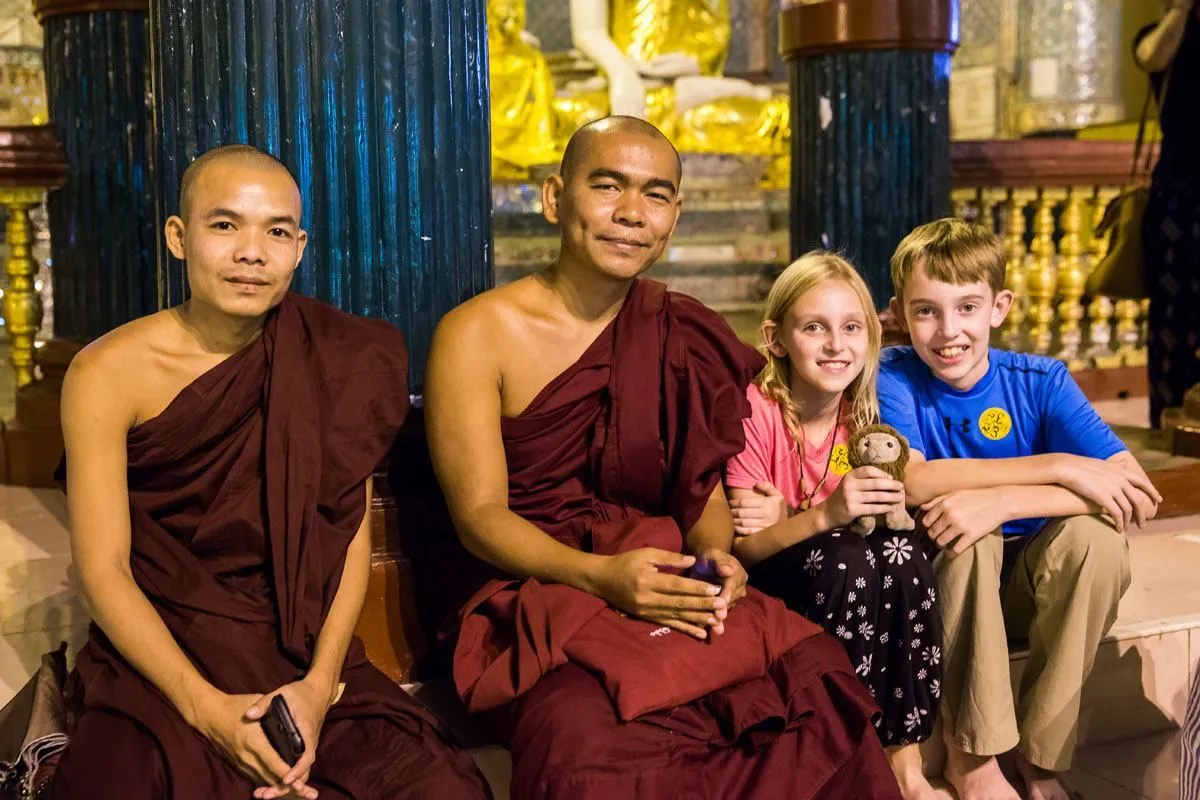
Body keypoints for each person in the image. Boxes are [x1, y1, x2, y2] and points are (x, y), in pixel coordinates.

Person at [426, 116, 900, 799]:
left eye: (654, 194)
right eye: (607, 185)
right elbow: (479, 517)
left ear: (674, 216)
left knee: (813, 674)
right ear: (555, 197)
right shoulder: (478, 333)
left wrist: (719, 557)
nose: (630, 213)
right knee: (585, 736)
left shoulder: (678, 329)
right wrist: (602, 578)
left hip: (662, 573)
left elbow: (699, 490)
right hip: (535, 592)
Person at [51, 145, 489, 800]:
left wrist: (317, 690)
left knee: (437, 785)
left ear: (300, 245)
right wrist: (205, 709)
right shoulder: (107, 374)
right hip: (169, 648)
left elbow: (346, 539)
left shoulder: (339, 358)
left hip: (302, 651)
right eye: (224, 225)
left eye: (276, 231)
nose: (252, 252)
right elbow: (104, 569)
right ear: (178, 237)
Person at [878, 218, 1162, 800]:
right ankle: (975, 760)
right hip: (945, 589)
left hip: (1031, 585)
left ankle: (1040, 760)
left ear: (999, 307)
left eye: (967, 308)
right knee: (966, 530)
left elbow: (1136, 488)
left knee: (1097, 542)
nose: (948, 331)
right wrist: (1057, 465)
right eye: (926, 310)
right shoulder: (893, 377)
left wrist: (1006, 500)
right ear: (901, 314)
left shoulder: (1039, 381)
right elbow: (913, 480)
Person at [724, 252, 942, 800]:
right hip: (776, 590)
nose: (835, 346)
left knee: (903, 550)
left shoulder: (864, 416)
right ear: (776, 338)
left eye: (851, 329)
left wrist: (796, 515)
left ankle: (905, 758)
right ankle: (849, 752)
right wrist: (821, 516)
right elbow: (744, 552)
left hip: (852, 584)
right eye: (814, 328)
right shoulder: (754, 412)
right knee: (846, 551)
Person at [1135, 0, 1200, 428]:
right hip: (1181, 195)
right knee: (1174, 316)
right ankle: (1169, 420)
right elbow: (1151, 57)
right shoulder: (1162, 35)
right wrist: (1180, 10)